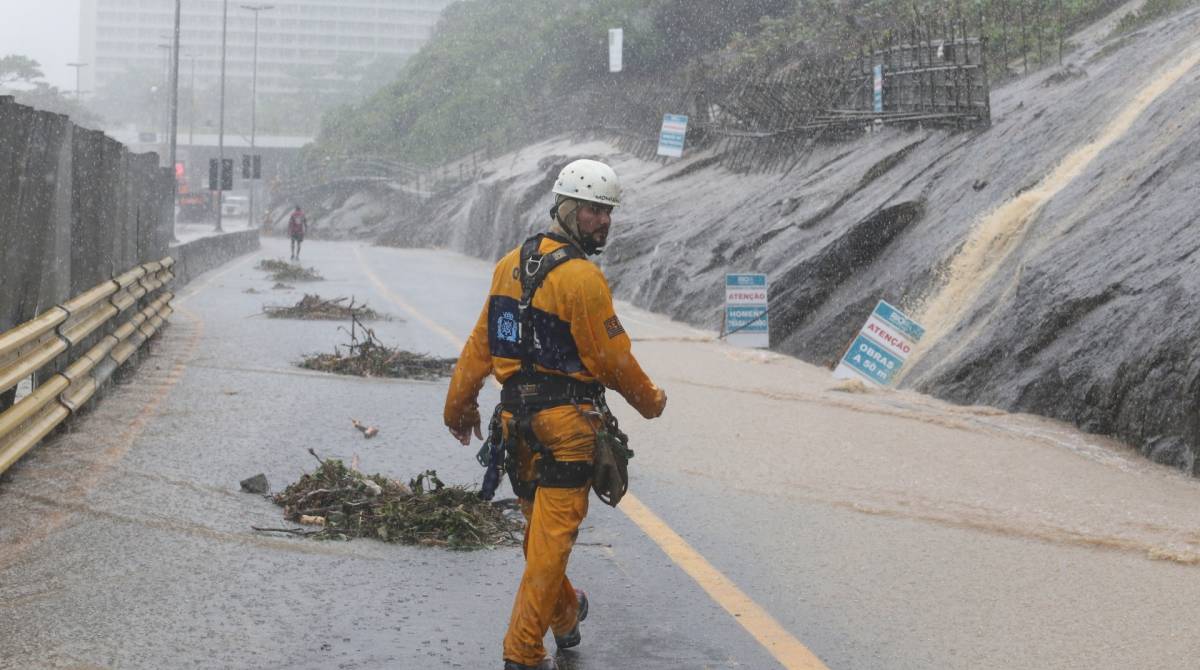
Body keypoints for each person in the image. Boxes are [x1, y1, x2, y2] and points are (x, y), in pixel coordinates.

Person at [443, 159, 667, 670]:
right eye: (593, 211)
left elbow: (482, 343)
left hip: (516, 425)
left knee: (539, 537)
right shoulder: (583, 280)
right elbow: (611, 361)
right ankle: (522, 650)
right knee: (548, 544)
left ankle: (566, 617)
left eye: (607, 212)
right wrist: (650, 401)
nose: (603, 221)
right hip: (567, 430)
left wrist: (458, 405)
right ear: (566, 209)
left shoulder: (508, 266)